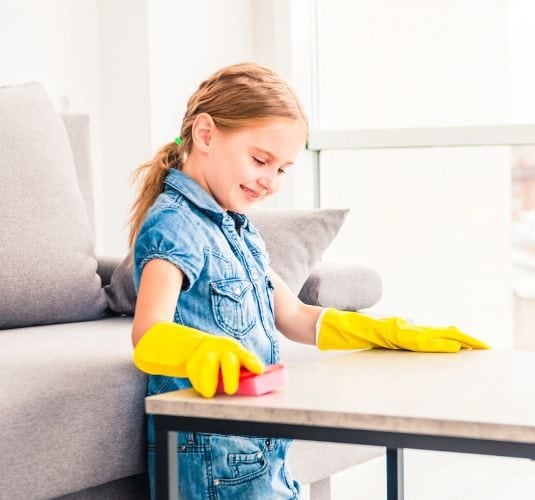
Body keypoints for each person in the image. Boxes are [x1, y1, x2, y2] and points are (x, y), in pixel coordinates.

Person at [129, 62, 490, 499]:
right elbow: (149, 333)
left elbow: (295, 315)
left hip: (261, 451)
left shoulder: (237, 228)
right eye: (260, 160)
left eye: (282, 169)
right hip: (211, 462)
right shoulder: (174, 224)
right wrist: (204, 348)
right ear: (205, 134)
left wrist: (385, 331)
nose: (271, 182)